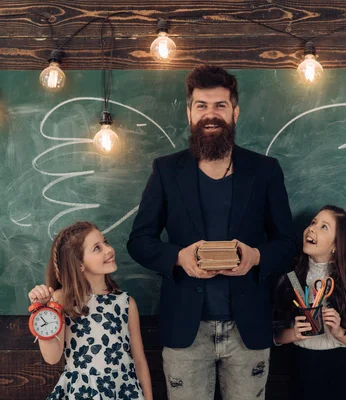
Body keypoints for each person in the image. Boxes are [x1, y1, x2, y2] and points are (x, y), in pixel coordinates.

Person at [127, 65, 296, 400]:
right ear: (190, 112)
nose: (211, 114)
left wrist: (256, 257)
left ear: (235, 111)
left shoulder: (265, 171)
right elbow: (139, 242)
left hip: (248, 329)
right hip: (185, 329)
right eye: (202, 105)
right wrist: (178, 257)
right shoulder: (165, 171)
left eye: (220, 105)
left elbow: (289, 245)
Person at [28, 221, 153, 399]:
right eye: (97, 248)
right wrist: (42, 311)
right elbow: (52, 357)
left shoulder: (125, 303)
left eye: (106, 242)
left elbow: (139, 360)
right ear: (79, 264)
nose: (109, 250)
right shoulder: (62, 300)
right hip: (82, 393)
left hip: (123, 391)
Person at [274, 205, 346, 400]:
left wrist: (338, 331)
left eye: (323, 227)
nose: (312, 228)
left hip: (336, 369)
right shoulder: (291, 280)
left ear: (336, 245)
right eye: (313, 222)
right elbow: (274, 334)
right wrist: (293, 333)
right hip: (299, 366)